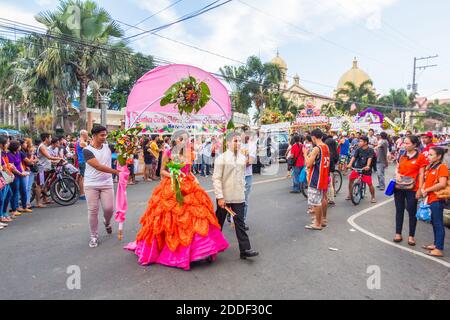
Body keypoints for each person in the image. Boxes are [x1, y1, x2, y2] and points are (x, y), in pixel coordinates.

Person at [126, 131, 229, 269]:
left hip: (188, 186)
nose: (185, 142)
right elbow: (161, 171)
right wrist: (173, 174)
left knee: (197, 216)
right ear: (176, 140)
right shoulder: (168, 153)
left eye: (186, 140)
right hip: (171, 186)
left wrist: (193, 177)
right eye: (182, 139)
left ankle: (201, 251)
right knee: (171, 217)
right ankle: (175, 253)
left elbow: (189, 171)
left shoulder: (188, 153)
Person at [213, 132, 259, 260]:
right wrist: (220, 197)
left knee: (240, 222)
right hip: (224, 197)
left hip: (238, 196)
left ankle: (245, 249)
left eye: (239, 141)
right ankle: (211, 247)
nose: (238, 143)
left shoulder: (242, 158)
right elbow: (216, 179)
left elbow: (243, 175)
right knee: (218, 223)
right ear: (227, 143)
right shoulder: (221, 159)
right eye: (235, 141)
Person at [83, 126, 120, 248]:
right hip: (91, 184)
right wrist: (116, 172)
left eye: (105, 135)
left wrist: (128, 145)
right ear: (94, 136)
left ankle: (107, 222)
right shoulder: (87, 150)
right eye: (102, 135)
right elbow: (98, 166)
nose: (104, 137)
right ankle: (93, 236)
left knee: (109, 209)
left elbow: (123, 150)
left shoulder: (109, 147)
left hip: (106, 184)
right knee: (93, 210)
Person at [393, 135, 427, 246]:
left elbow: (422, 174)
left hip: (413, 188)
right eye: (404, 143)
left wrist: (420, 189)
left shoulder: (421, 157)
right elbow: (397, 168)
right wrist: (397, 174)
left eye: (407, 143)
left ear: (415, 145)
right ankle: (398, 233)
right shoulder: (402, 155)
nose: (405, 145)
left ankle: (411, 236)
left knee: (412, 212)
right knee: (399, 210)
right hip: (399, 187)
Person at [421, 147, 448, 257]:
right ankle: (436, 244)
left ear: (439, 156)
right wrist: (423, 188)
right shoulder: (431, 167)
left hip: (437, 199)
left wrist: (427, 190)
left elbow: (442, 184)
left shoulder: (442, 167)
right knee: (434, 222)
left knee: (438, 223)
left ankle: (439, 249)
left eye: (431, 155)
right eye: (429, 154)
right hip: (430, 198)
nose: (429, 156)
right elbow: (427, 180)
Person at [303, 129, 330, 230]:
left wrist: (305, 154)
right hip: (324, 175)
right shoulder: (325, 146)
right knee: (323, 198)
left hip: (316, 177)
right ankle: (323, 219)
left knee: (315, 201)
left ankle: (317, 224)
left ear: (313, 137)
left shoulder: (316, 149)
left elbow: (308, 164)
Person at [35, 133, 62, 208]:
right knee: (39, 185)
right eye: (50, 138)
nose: (51, 139)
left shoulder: (45, 146)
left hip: (46, 168)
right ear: (46, 138)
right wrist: (60, 158)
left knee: (45, 184)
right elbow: (49, 157)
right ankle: (38, 203)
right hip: (42, 168)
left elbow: (48, 159)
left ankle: (45, 199)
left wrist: (56, 161)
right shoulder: (42, 147)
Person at [347, 136, 376, 203]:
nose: (359, 142)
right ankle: (350, 193)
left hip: (366, 169)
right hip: (358, 167)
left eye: (361, 141)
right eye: (359, 141)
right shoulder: (358, 149)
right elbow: (354, 157)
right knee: (351, 179)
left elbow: (370, 158)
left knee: (369, 184)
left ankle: (373, 197)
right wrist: (350, 164)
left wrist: (368, 166)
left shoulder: (370, 150)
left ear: (365, 142)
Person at [7, 141, 30, 216]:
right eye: (19, 146)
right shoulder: (9, 155)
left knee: (23, 190)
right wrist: (20, 173)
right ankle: (14, 209)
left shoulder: (18, 153)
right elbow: (12, 168)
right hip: (14, 175)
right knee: (15, 192)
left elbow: (20, 163)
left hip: (20, 174)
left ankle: (24, 206)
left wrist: (23, 171)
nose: (20, 147)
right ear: (15, 147)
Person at [242, 133, 257, 230]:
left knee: (244, 200)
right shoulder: (234, 144)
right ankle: (230, 214)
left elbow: (250, 161)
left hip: (247, 176)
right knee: (232, 198)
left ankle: (241, 221)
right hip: (234, 176)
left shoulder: (251, 146)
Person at [0, 136, 14, 225]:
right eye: (7, 142)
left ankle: (3, 214)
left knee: (8, 195)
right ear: (1, 144)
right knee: (1, 198)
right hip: (2, 177)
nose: (8, 144)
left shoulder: (3, 152)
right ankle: (1, 215)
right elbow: (3, 167)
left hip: (4, 177)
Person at [325, 135, 339, 206]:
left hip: (327, 168)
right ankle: (333, 195)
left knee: (328, 184)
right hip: (332, 167)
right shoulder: (334, 150)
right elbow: (336, 158)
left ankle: (329, 198)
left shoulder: (327, 152)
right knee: (331, 181)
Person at [75, 130, 89, 201]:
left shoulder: (78, 141)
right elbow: (90, 148)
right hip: (83, 161)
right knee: (82, 178)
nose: (87, 136)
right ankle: (82, 193)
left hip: (81, 161)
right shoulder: (82, 142)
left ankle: (79, 192)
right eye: (87, 134)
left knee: (81, 177)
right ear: (83, 135)